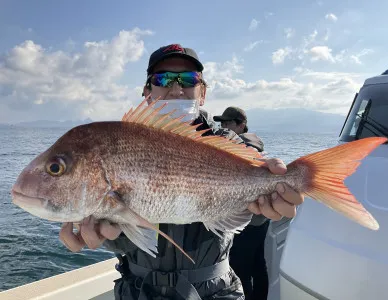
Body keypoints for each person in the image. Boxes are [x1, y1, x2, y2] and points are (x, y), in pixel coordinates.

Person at [59, 43, 304, 300]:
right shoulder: (122, 143)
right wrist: (107, 235)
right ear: (147, 91)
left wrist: (267, 208)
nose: (176, 89)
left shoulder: (227, 143)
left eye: (188, 79)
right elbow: (131, 234)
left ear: (202, 92)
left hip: (214, 292)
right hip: (138, 291)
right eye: (163, 79)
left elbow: (249, 212)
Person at [213, 107, 270, 299]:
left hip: (247, 219)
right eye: (222, 123)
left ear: (241, 124)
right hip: (261, 220)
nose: (224, 127)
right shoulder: (255, 145)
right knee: (258, 264)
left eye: (228, 123)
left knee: (239, 268)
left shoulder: (244, 148)